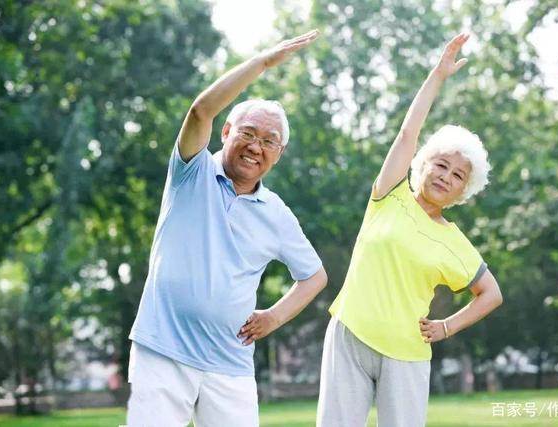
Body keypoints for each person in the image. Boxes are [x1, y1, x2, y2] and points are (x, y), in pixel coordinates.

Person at [126, 30, 327, 427]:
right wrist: (263, 63)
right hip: (162, 351)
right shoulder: (191, 171)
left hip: (230, 363)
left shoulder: (276, 213)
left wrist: (273, 317)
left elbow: (315, 277)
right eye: (248, 133)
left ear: (279, 154)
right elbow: (200, 110)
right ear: (226, 133)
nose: (256, 146)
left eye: (269, 141)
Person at [316, 33, 504, 427]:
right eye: (441, 164)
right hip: (350, 333)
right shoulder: (389, 194)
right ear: (424, 163)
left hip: (406, 353)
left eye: (457, 176)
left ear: (462, 191)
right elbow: (407, 132)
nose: (445, 176)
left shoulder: (455, 242)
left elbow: (491, 294)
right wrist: (438, 75)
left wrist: (447, 326)